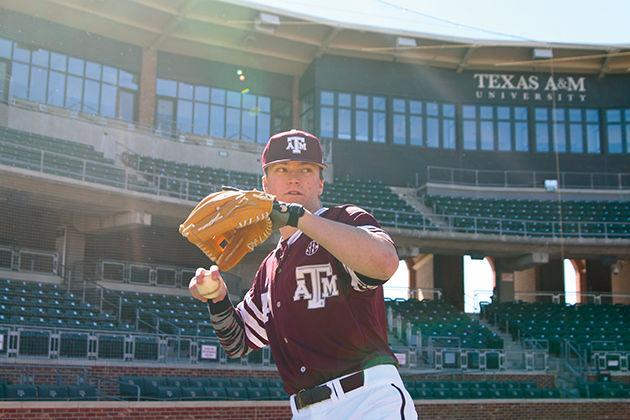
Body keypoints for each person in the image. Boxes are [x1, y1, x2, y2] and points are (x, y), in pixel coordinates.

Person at [189, 129, 417, 419]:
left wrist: (298, 217)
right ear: (265, 183)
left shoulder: (344, 220)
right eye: (282, 169)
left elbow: (385, 262)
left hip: (367, 400)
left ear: (320, 183)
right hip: (306, 410)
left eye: (305, 169)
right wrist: (217, 298)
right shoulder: (270, 268)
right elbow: (238, 342)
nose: (294, 178)